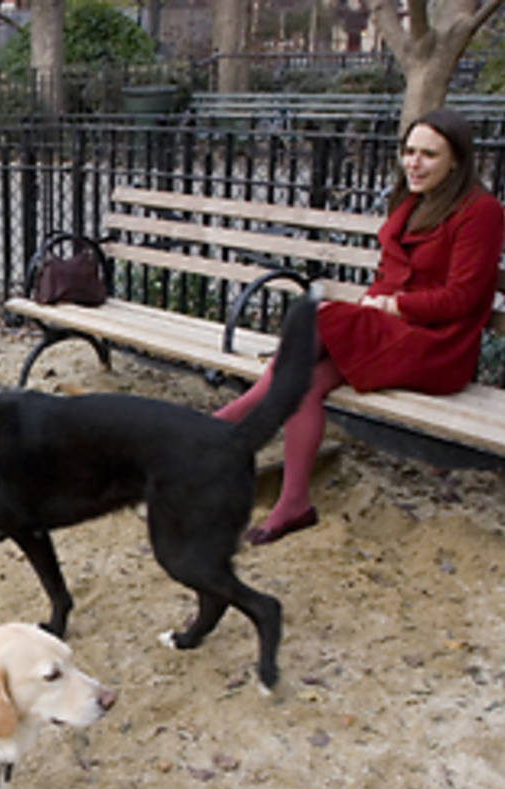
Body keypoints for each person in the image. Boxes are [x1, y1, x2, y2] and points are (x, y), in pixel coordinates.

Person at [215, 106, 504, 545]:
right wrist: (381, 306)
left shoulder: (480, 212)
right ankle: (294, 503)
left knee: (316, 319)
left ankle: (215, 430)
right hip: (392, 333)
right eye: (409, 151)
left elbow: (462, 298)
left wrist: (393, 305)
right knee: (305, 382)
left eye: (429, 154)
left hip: (437, 346)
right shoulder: (412, 202)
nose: (414, 162)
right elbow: (389, 275)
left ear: (457, 161)